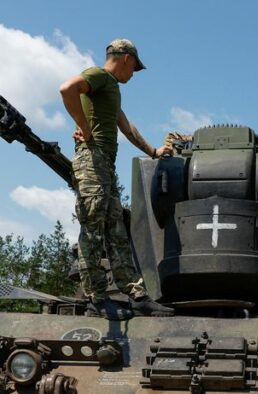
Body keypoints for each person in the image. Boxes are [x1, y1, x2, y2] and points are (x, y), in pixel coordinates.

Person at [59, 38, 174, 319]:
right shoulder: (99, 75)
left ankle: (136, 296)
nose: (133, 74)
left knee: (116, 232)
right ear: (126, 58)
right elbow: (67, 89)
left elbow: (125, 125)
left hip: (105, 165)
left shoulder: (110, 89)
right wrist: (84, 128)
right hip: (92, 160)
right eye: (135, 67)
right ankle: (96, 300)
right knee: (93, 229)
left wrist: (153, 151)